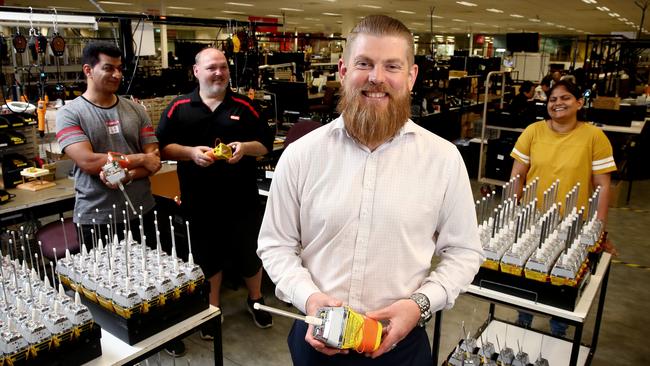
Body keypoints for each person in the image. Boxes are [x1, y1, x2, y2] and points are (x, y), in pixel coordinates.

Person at [257, 15, 484, 365]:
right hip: (316, 341)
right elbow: (275, 244)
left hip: (400, 348)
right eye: (364, 63)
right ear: (343, 70)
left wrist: (419, 304)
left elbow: (465, 253)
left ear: (411, 78)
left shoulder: (443, 159)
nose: (377, 77)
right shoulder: (302, 155)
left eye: (392, 66)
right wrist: (309, 298)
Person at [156, 47, 274, 334]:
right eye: (211, 67)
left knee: (248, 252)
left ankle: (256, 299)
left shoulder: (244, 106)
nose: (219, 72)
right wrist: (190, 153)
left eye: (223, 67)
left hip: (241, 198)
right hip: (199, 199)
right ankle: (213, 309)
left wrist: (245, 148)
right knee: (208, 256)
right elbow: (161, 147)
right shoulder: (179, 107)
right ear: (196, 72)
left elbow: (265, 145)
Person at [510, 80, 616, 336]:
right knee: (527, 274)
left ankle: (558, 330)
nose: (557, 103)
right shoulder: (533, 131)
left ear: (579, 102)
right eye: (552, 99)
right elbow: (518, 175)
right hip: (533, 219)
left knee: (563, 282)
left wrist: (599, 230)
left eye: (565, 98)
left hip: (573, 223)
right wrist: (513, 213)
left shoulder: (594, 137)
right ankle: (523, 321)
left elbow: (603, 186)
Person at [55, 41, 161, 251]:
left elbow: (155, 160)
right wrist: (140, 159)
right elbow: (88, 161)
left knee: (149, 279)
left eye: (119, 68)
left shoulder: (137, 110)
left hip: (142, 211)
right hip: (96, 218)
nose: (117, 74)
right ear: (88, 70)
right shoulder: (69, 114)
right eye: (108, 68)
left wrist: (127, 175)